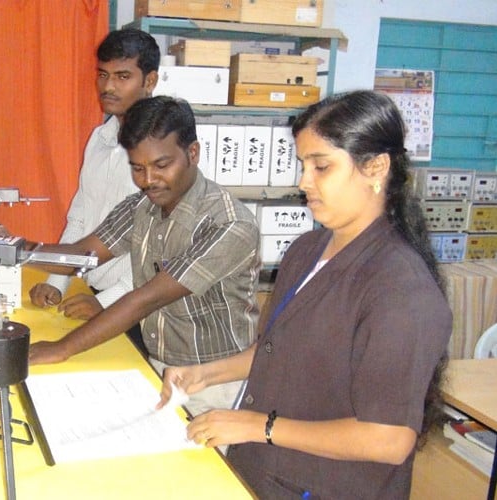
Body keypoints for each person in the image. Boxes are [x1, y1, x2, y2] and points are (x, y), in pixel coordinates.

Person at [157, 90, 452, 499]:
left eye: (321, 167)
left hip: (329, 487)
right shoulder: (307, 250)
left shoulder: (402, 290)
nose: (302, 181)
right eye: (302, 164)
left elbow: (388, 439)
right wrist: (206, 373)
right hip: (263, 469)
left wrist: (259, 425)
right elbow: (281, 348)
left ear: (376, 168)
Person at [29, 96, 261, 415]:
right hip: (158, 366)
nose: (148, 180)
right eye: (138, 168)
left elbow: (147, 299)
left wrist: (61, 348)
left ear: (192, 153)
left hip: (215, 384)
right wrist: (13, 250)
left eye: (161, 166)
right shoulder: (143, 205)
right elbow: (83, 255)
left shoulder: (230, 223)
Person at [28, 29, 159, 353]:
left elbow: (162, 248)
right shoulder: (100, 139)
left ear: (150, 81)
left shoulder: (165, 150)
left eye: (123, 76)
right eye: (103, 75)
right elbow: (80, 217)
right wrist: (57, 282)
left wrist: (108, 303)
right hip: (94, 297)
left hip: (142, 311)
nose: (108, 87)